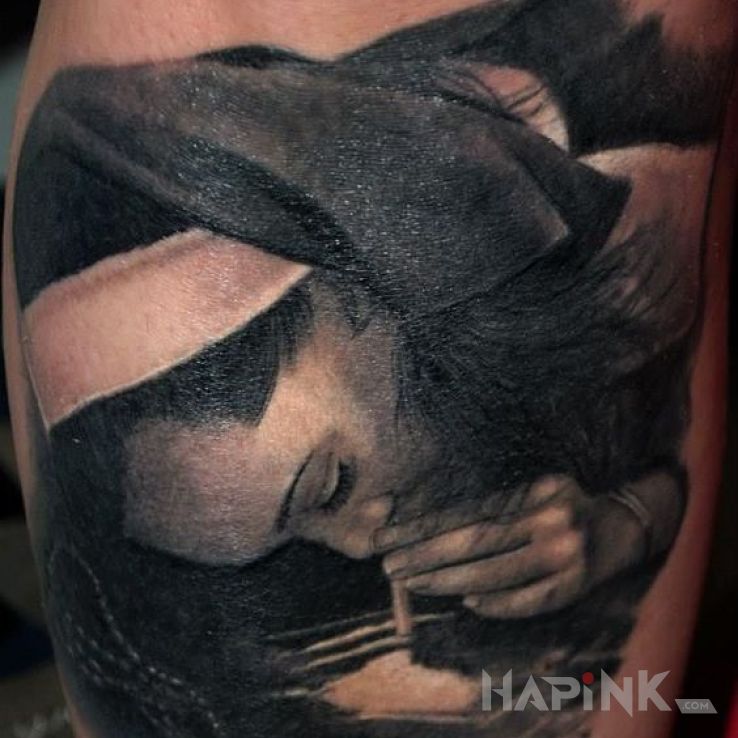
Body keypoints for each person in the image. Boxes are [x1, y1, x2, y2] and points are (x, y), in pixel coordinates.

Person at [5, 0, 734, 736]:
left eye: (330, 485)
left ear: (355, 296)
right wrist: (626, 522)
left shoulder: (626, 257)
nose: (360, 545)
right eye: (296, 539)